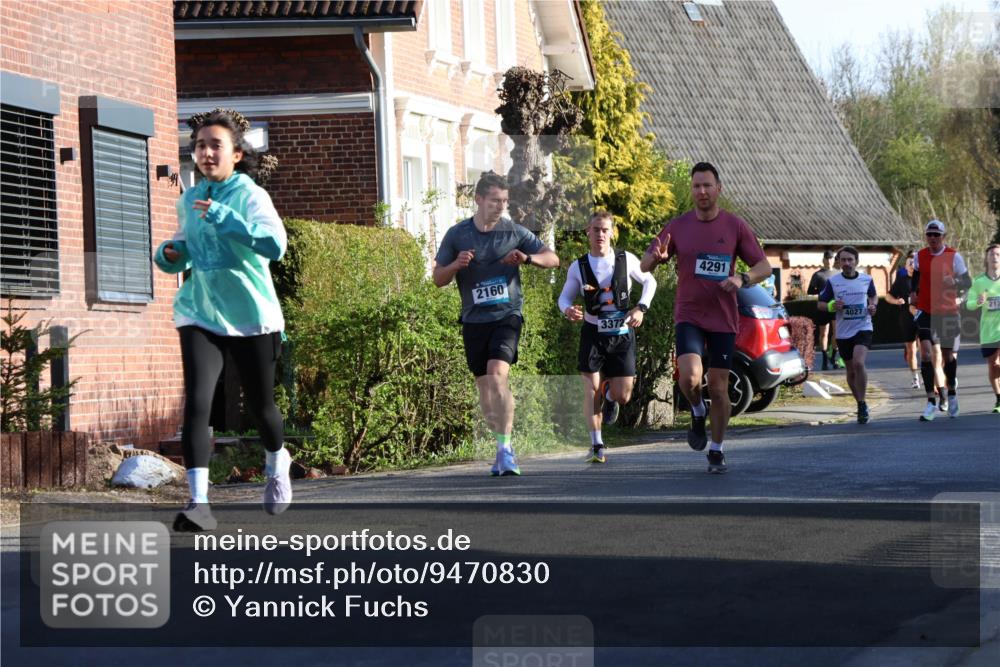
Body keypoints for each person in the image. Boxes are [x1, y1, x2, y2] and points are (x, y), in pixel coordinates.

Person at [154, 108, 290, 532]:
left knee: (263, 409)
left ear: (235, 154)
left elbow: (274, 246)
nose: (206, 152)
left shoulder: (251, 195)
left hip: (251, 315)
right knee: (197, 404)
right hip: (201, 311)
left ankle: (276, 458)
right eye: (199, 146)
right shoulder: (189, 199)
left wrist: (227, 220)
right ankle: (198, 504)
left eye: (216, 145)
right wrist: (170, 254)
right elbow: (185, 246)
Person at [641, 162, 772, 474]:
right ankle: (697, 411)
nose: (701, 191)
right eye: (696, 186)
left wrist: (742, 278)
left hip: (723, 318)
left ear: (718, 189)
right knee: (688, 378)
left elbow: (764, 267)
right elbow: (645, 265)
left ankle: (717, 448)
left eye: (707, 186)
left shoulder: (734, 226)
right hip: (688, 314)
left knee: (718, 386)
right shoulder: (678, 226)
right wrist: (655, 260)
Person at [433, 172, 559, 476]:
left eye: (504, 201)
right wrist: (455, 265)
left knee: (497, 375)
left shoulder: (513, 232)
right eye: (495, 200)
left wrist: (527, 260)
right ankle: (501, 441)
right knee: (487, 397)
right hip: (474, 321)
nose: (501, 206)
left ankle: (505, 450)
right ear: (478, 199)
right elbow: (438, 279)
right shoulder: (457, 234)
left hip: (507, 316)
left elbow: (552, 258)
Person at [558, 211, 657, 463]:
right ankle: (597, 445)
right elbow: (564, 297)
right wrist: (567, 309)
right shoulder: (578, 266)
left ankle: (610, 395)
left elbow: (650, 283)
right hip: (593, 334)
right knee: (590, 391)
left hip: (622, 334)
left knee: (623, 395)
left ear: (612, 233)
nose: (600, 234)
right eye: (595, 229)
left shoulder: (627, 260)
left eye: (605, 230)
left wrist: (641, 308)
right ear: (587, 233)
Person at [911, 219, 972, 421]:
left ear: (943, 236)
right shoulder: (920, 256)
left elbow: (967, 281)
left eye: (937, 235)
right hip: (926, 310)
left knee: (948, 356)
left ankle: (952, 392)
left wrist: (953, 282)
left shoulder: (953, 257)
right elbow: (917, 275)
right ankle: (930, 401)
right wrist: (913, 292)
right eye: (929, 234)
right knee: (927, 353)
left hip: (947, 311)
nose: (933, 238)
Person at [817, 246, 878, 423]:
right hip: (843, 332)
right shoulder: (833, 282)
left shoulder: (866, 279)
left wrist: (873, 306)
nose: (847, 263)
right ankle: (860, 403)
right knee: (850, 370)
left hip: (863, 326)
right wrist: (830, 306)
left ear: (856, 262)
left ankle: (863, 401)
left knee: (859, 363)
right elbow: (820, 304)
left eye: (850, 260)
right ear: (838, 262)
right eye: (843, 260)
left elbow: (873, 296)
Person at [966, 244, 1000, 413]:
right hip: (988, 331)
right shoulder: (979, 282)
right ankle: (999, 398)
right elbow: (969, 304)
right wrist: (978, 302)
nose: (995, 257)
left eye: (998, 254)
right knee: (993, 364)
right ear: (987, 258)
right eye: (992, 254)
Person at [886, 251, 921, 389]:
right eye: (909, 263)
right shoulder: (901, 280)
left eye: (914, 263)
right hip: (907, 319)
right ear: (905, 266)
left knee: (925, 350)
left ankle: (927, 374)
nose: (912, 265)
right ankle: (915, 377)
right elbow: (888, 296)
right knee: (911, 350)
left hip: (922, 318)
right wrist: (896, 301)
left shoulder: (924, 279)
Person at [808, 250, 842, 370]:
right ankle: (824, 360)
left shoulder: (839, 274)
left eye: (831, 259)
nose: (829, 261)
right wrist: (822, 291)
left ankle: (833, 357)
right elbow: (810, 290)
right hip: (823, 306)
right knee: (824, 333)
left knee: (836, 334)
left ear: (834, 260)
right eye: (826, 259)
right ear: (823, 260)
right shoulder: (818, 275)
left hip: (835, 307)